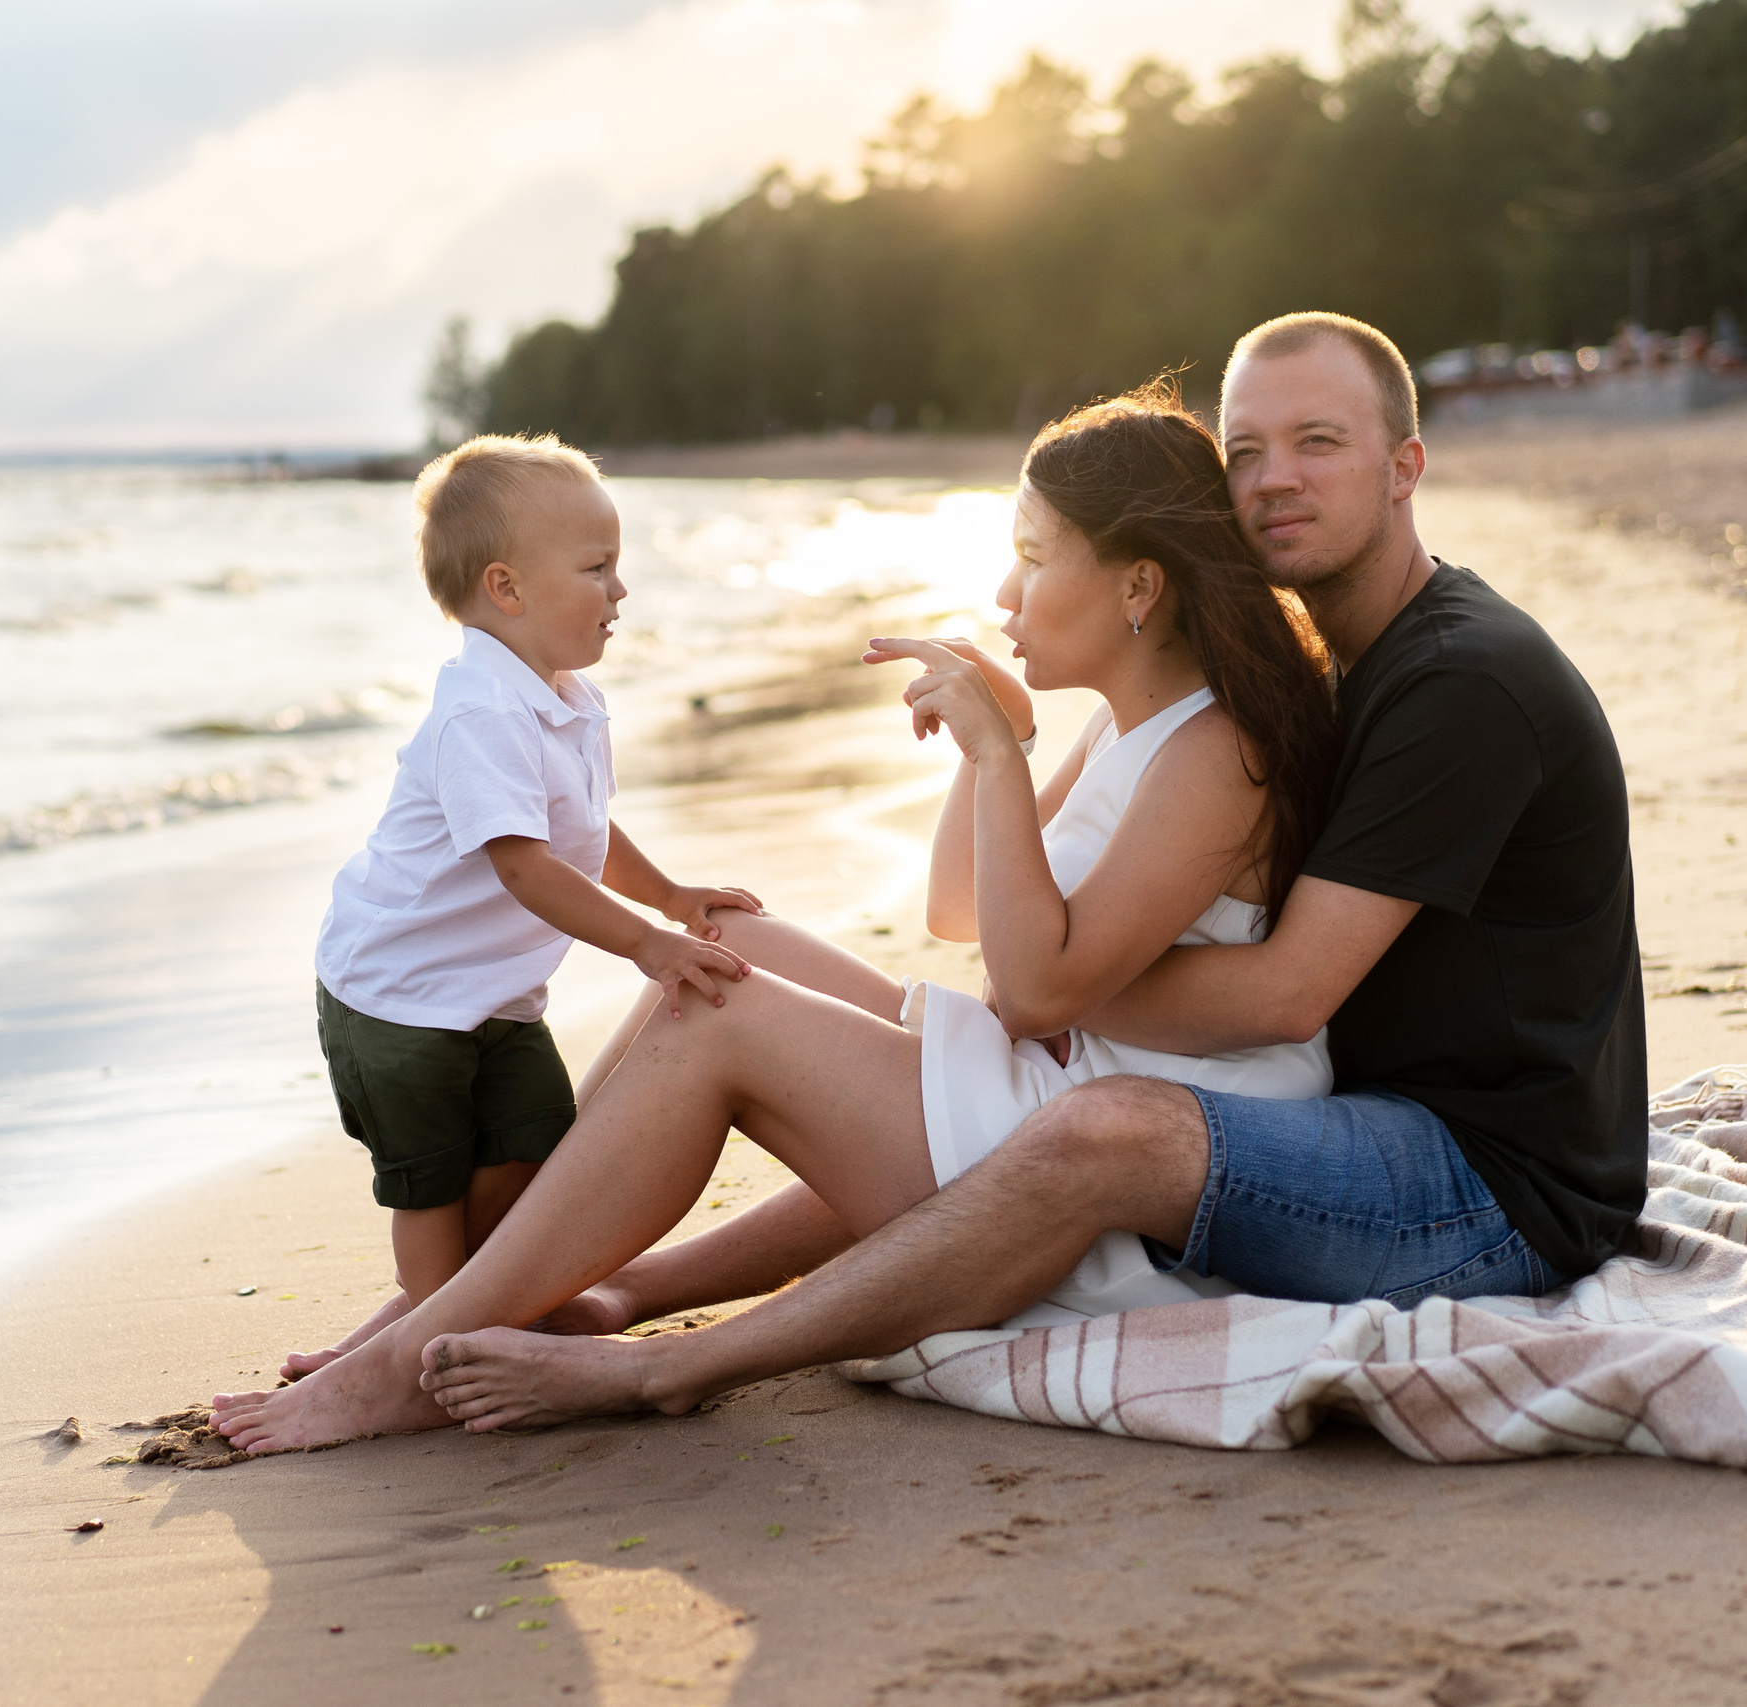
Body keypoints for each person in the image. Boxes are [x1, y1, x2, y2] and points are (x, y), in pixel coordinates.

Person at [391, 312, 1648, 1434]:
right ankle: (588, 1290)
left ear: (1403, 467)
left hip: (1478, 1182)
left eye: (1317, 443)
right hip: (1326, 1109)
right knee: (755, 964)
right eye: (1245, 450)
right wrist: (1015, 879)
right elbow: (988, 925)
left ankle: (633, 1363)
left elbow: (1283, 997)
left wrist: (1036, 990)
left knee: (1067, 1114)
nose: (1269, 483)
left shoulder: (1453, 684)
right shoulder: (1312, 666)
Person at [211, 377, 1347, 1452]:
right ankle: (481, 1300)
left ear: (1139, 589)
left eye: (1033, 560)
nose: (1003, 594)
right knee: (724, 947)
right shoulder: (1128, 725)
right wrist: (991, 749)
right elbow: (962, 911)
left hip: (1106, 1183)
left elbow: (1033, 984)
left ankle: (418, 1353)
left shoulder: (1216, 750)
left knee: (720, 1013)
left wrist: (1002, 759)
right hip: (1057, 1086)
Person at [284, 432, 763, 1377]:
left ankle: (444, 1315)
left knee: (530, 1153)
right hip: (399, 999)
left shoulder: (565, 697)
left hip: (493, 999)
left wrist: (666, 891)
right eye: (597, 567)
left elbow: (584, 826)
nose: (620, 590)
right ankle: (421, 1353)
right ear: (507, 589)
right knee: (430, 1188)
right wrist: (649, 942)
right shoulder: (483, 713)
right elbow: (527, 868)